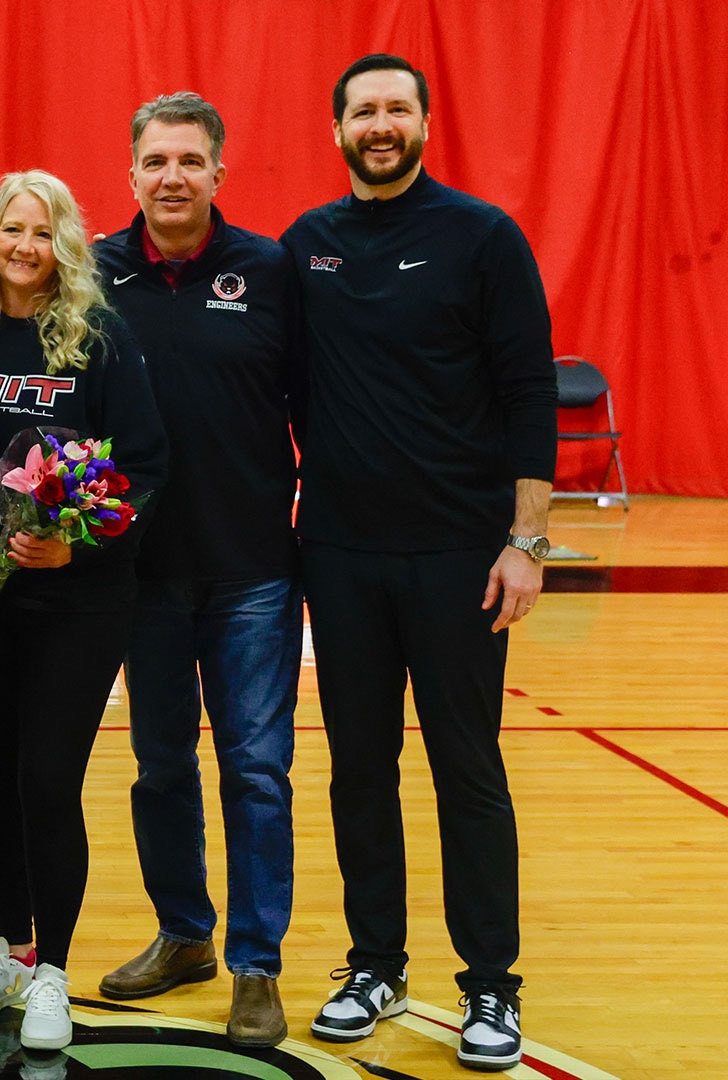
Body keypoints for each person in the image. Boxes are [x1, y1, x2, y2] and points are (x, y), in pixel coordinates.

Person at [281, 54, 555, 1071]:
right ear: (339, 129)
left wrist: (524, 542)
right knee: (360, 771)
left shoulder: (483, 237)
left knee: (467, 770)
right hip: (341, 557)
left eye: (398, 109)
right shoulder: (306, 245)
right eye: (364, 111)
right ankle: (375, 964)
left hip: (459, 559)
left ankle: (491, 987)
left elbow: (530, 393)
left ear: (426, 122)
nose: (381, 124)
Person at [0, 169, 168, 1051]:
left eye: (43, 232)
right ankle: (12, 954)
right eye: (11, 230)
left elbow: (144, 470)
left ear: (68, 245)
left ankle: (52, 969)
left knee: (49, 781)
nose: (25, 247)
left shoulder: (101, 337)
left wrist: (75, 543)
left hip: (81, 601)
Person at [90, 92, 303, 1047]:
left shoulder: (269, 270)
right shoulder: (90, 273)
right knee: (160, 767)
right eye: (155, 163)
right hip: (141, 572)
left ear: (220, 171)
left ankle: (257, 966)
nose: (172, 177)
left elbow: (326, 400)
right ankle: (185, 935)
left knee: (257, 771)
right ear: (130, 174)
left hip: (253, 569)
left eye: (190, 161)